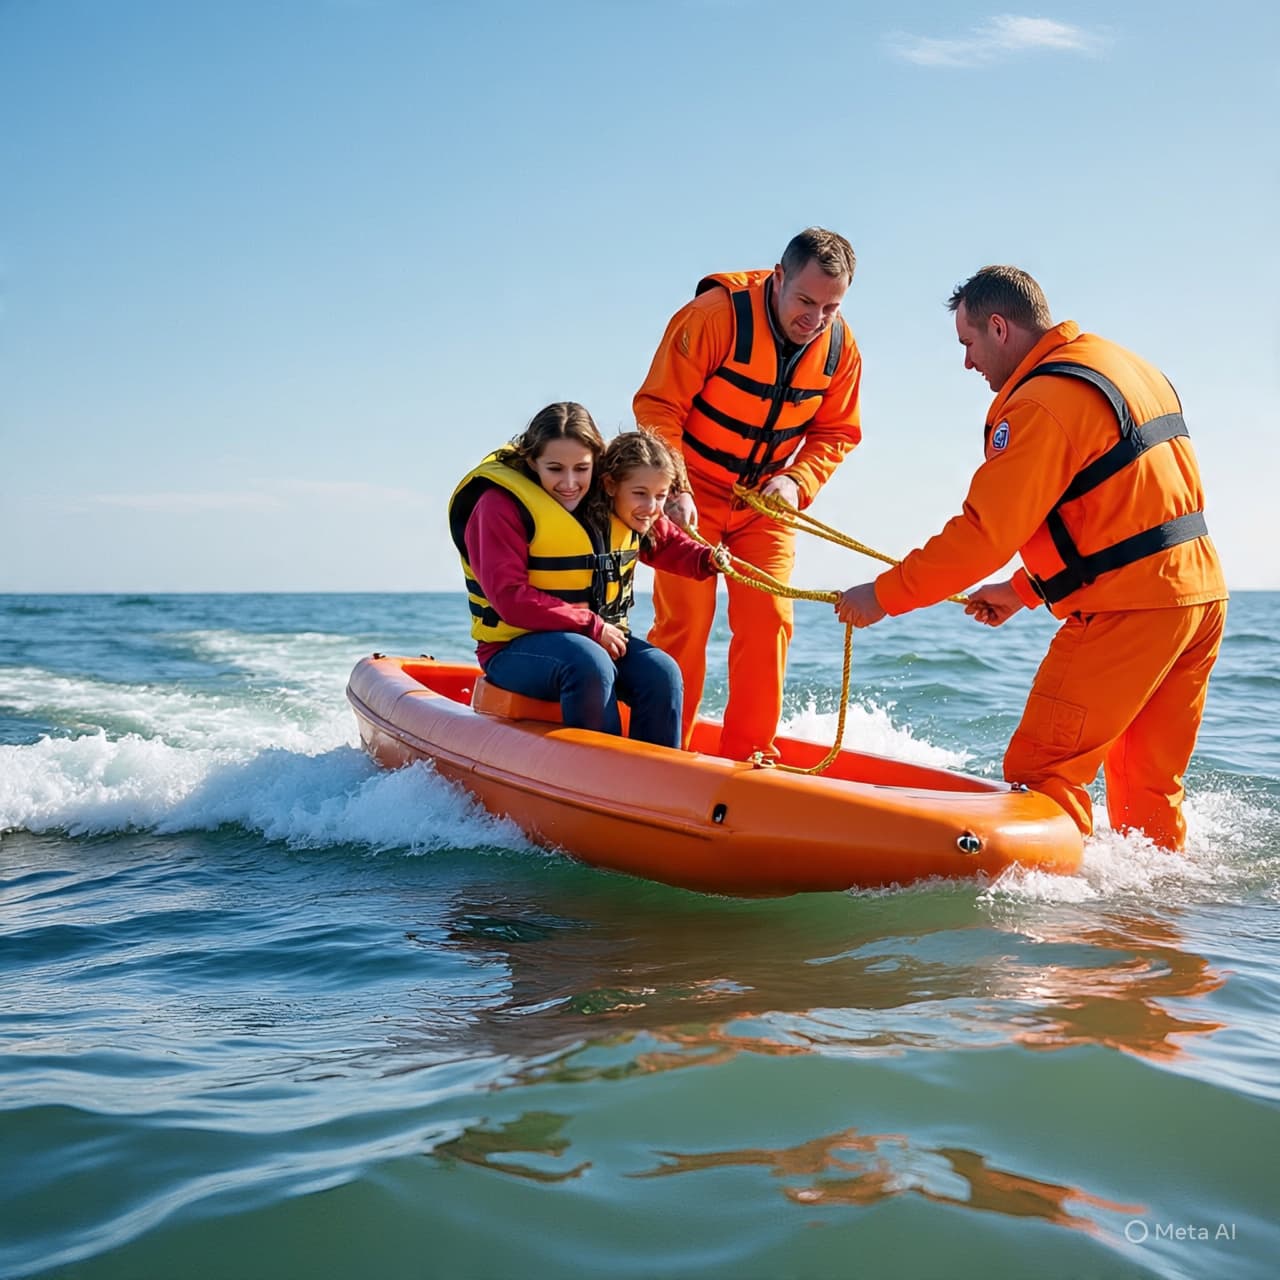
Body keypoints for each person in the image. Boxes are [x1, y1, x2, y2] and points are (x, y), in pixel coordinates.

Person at [834, 266, 1227, 850]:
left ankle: (1047, 909)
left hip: (1131, 609)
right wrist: (1022, 591)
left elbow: (984, 534)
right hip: (1198, 601)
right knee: (1147, 791)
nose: (967, 362)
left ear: (999, 327)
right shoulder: (1122, 366)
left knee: (1043, 771)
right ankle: (1156, 906)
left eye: (968, 343)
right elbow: (1124, 513)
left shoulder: (1043, 400)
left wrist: (882, 596)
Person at [634, 226, 863, 761]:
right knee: (687, 621)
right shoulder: (713, 317)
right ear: (778, 277)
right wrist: (674, 485)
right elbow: (658, 407)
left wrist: (798, 480)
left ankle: (750, 757)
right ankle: (660, 752)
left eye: (831, 308)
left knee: (770, 619)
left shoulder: (841, 348)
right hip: (690, 494)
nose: (816, 319)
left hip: (766, 503)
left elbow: (838, 432)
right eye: (805, 301)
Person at [447, 405, 725, 747]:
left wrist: (708, 559)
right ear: (532, 461)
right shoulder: (498, 506)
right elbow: (510, 598)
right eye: (555, 468)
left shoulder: (607, 493)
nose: (569, 483)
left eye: (581, 468)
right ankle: (596, 773)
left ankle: (656, 775)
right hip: (513, 649)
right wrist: (591, 626)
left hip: (596, 641)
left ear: (596, 463)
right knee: (590, 664)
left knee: (662, 673)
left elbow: (661, 540)